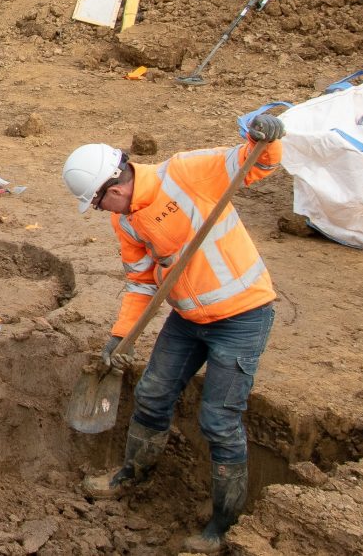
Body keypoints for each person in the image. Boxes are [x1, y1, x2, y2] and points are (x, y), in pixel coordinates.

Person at [61, 111, 286, 555]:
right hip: (188, 318)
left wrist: (267, 136)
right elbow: (142, 283)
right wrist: (120, 337)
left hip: (242, 315)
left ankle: (222, 525)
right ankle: (131, 474)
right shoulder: (124, 220)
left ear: (116, 188)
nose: (98, 211)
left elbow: (255, 162)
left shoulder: (185, 173)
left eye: (97, 202)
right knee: (151, 394)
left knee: (219, 421)